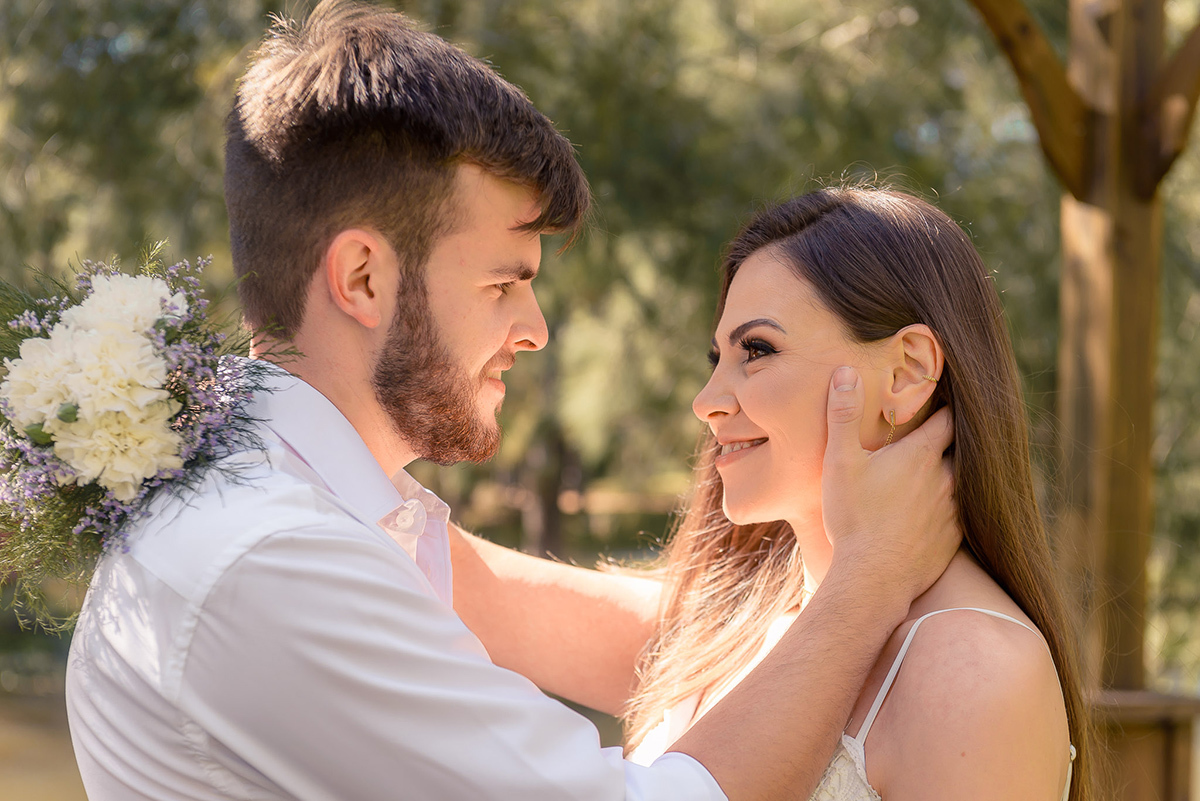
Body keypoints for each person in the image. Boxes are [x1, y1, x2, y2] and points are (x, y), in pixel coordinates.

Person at [65, 3, 959, 799]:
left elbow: (636, 636)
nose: (534, 329)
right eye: (504, 282)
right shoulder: (275, 560)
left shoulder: (289, 496)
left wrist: (852, 577)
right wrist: (867, 582)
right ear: (364, 278)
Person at [621, 186, 1090, 800]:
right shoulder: (740, 622)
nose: (706, 402)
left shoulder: (973, 667)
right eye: (717, 359)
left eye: (756, 351)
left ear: (907, 372)